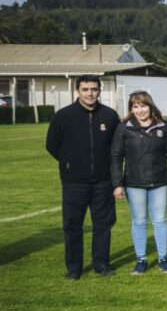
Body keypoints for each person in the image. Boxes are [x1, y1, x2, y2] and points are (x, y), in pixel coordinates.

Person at [46, 75, 121, 280]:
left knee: (103, 225)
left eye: (94, 89)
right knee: (72, 226)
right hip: (74, 182)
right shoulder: (63, 116)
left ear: (100, 90)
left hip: (103, 182)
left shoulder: (110, 115)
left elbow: (116, 148)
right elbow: (52, 145)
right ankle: (74, 268)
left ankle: (101, 264)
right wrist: (70, 164)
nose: (90, 93)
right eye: (85, 89)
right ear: (77, 91)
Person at [111, 90, 167, 275]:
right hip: (134, 183)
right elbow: (116, 157)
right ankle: (141, 260)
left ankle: (163, 259)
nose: (140, 110)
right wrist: (118, 184)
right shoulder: (124, 128)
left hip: (160, 182)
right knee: (139, 221)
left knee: (160, 220)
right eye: (135, 106)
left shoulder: (163, 127)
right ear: (131, 109)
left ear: (150, 106)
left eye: (143, 106)